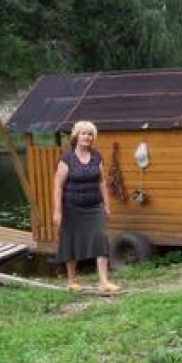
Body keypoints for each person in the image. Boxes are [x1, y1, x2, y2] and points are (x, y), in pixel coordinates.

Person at [52, 120, 120, 294]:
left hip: (94, 206)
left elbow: (102, 182)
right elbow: (58, 186)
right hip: (72, 207)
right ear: (76, 136)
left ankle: (104, 282)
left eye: (90, 134)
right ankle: (71, 280)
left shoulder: (97, 156)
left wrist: (106, 205)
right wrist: (57, 211)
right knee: (71, 241)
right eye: (84, 133)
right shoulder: (67, 158)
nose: (87, 137)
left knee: (101, 238)